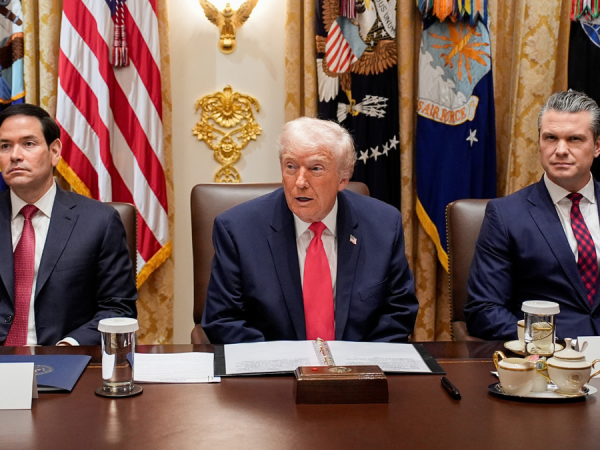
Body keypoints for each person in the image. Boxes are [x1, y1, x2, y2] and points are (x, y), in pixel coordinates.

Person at [202, 117, 419, 344]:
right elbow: (223, 320)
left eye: (315, 168)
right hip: (274, 364)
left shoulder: (383, 225)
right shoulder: (238, 230)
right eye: (291, 167)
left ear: (343, 178)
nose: (300, 182)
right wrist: (284, 361)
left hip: (358, 362)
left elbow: (399, 311)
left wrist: (359, 361)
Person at [465, 90, 600, 340]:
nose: (561, 150)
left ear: (597, 146)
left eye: (574, 139)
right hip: (547, 355)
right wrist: (546, 343)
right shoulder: (505, 216)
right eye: (551, 138)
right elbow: (483, 310)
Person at [0, 104, 137, 346]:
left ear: (54, 151)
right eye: (5, 146)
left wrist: (68, 348)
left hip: (65, 358)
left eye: (28, 144)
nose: (15, 156)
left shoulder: (99, 222)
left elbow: (117, 309)